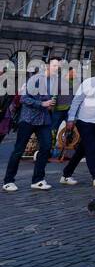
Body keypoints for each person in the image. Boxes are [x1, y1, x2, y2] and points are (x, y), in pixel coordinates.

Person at [2, 59, 60, 192]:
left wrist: (51, 105)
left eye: (59, 66)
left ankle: (38, 180)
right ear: (47, 66)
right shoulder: (35, 79)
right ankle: (8, 181)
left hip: (44, 120)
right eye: (55, 66)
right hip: (28, 119)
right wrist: (42, 104)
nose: (57, 68)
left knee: (46, 147)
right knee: (19, 150)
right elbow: (24, 99)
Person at [59, 61, 95, 188]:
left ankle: (66, 174)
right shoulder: (88, 83)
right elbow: (76, 102)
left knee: (82, 150)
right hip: (84, 120)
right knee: (91, 147)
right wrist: (71, 119)